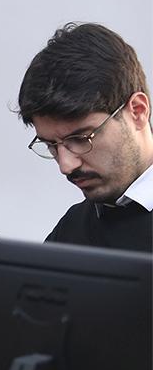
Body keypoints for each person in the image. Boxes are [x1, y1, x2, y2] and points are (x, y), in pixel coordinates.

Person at [17, 22, 152, 252]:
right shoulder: (70, 232)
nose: (66, 166)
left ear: (137, 112)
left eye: (81, 139)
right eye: (51, 145)